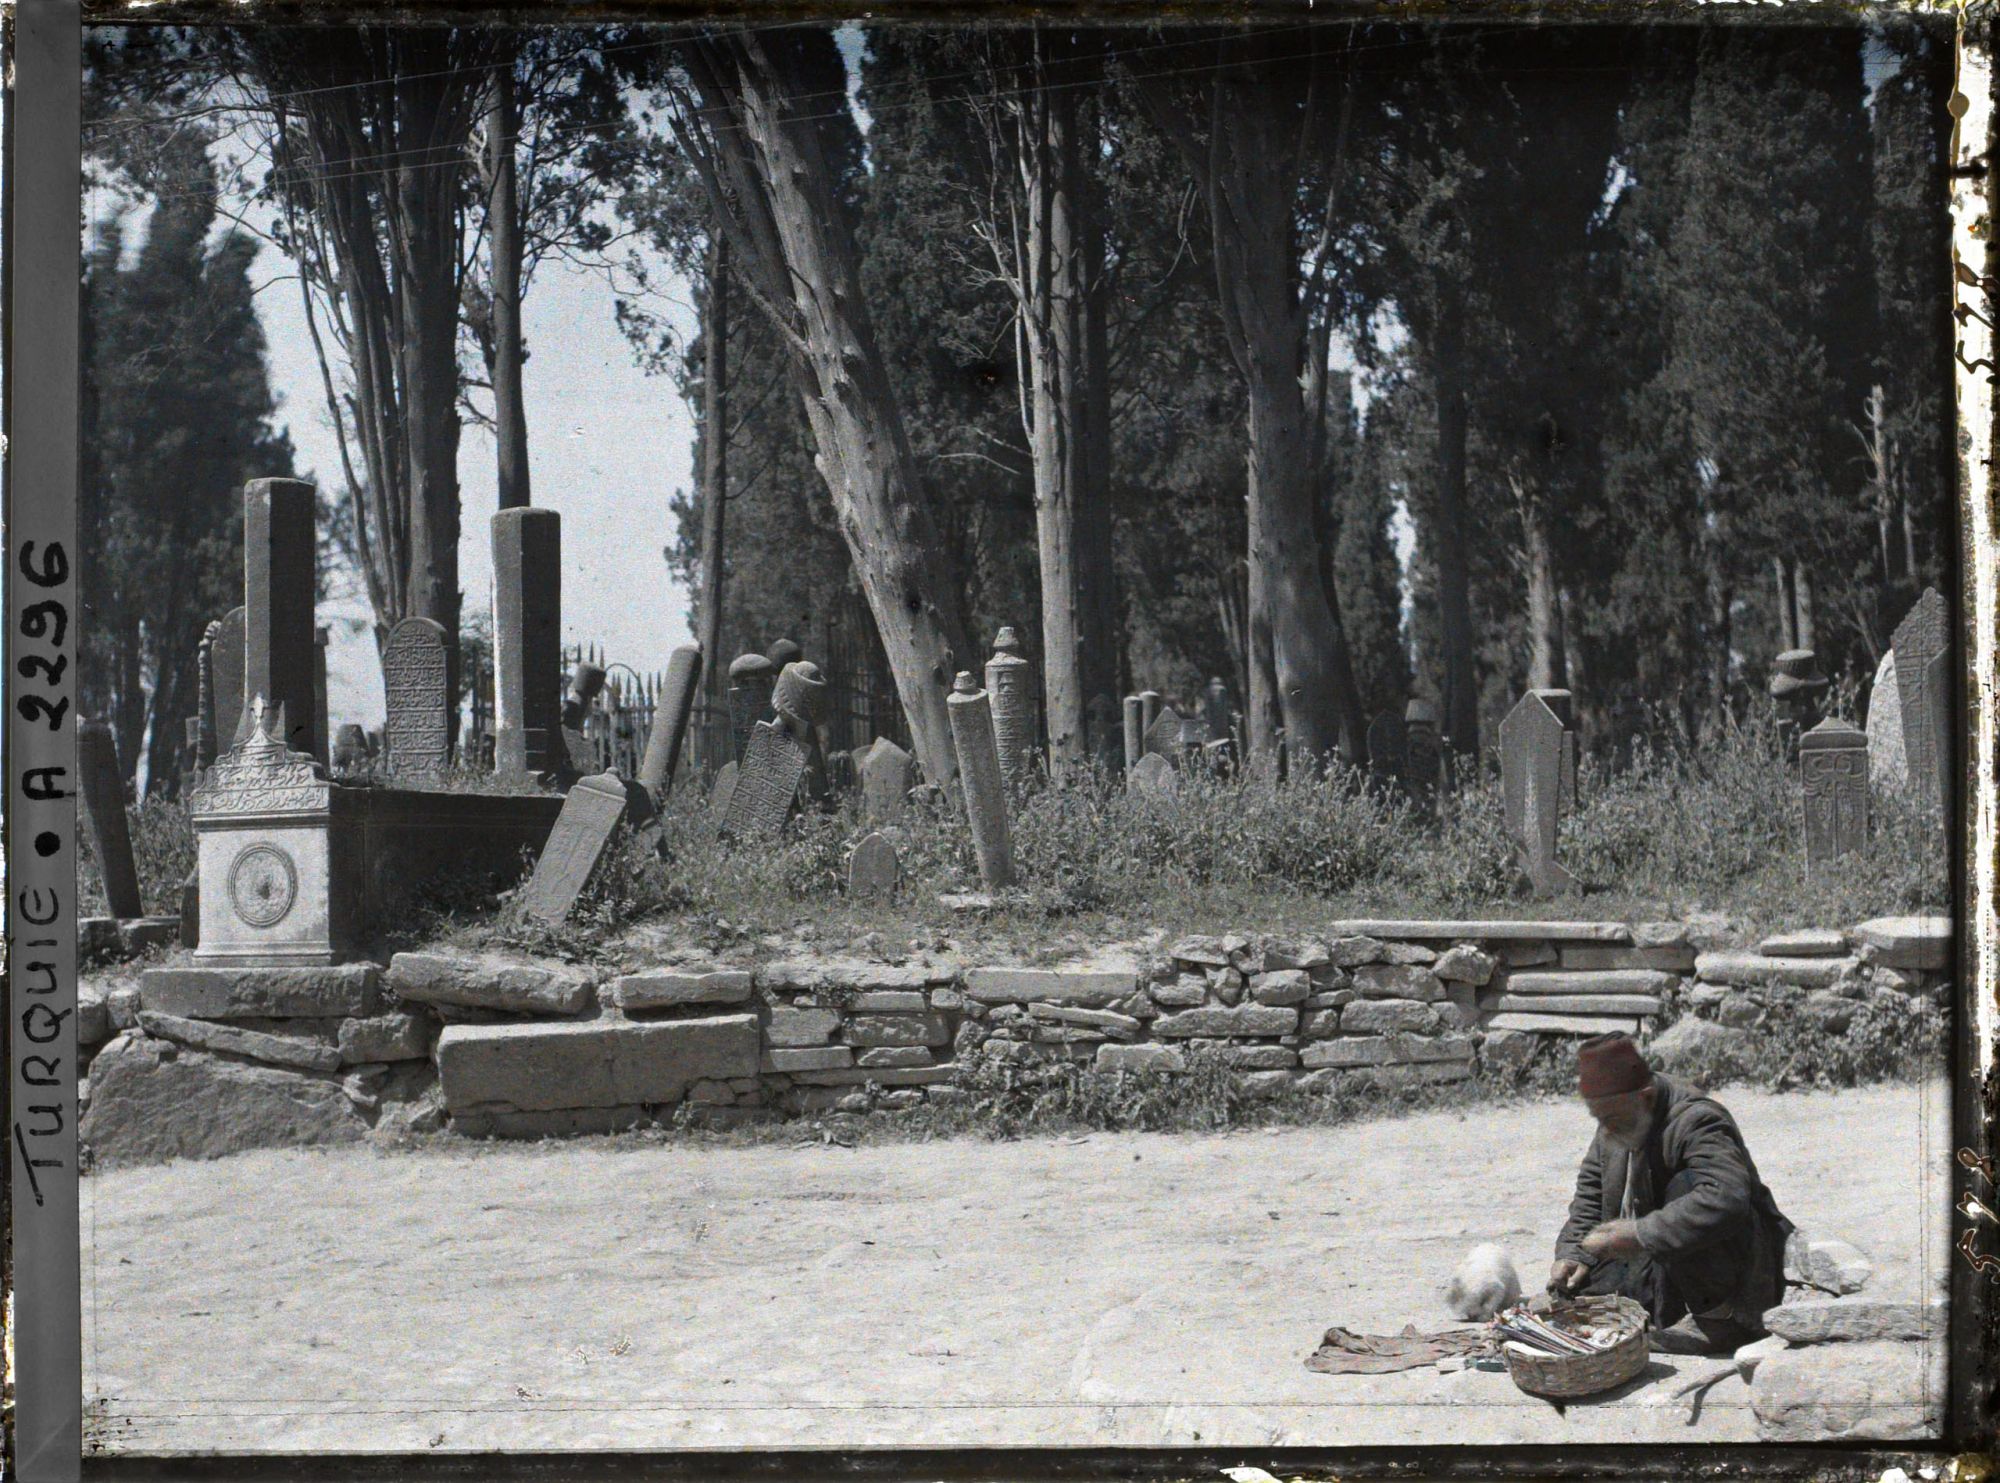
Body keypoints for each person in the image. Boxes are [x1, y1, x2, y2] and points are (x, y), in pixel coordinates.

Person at [1549, 1033, 1794, 1354]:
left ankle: (1719, 1322)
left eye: (1609, 1118)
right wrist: (1573, 1252)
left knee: (1687, 1188)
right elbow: (1592, 1189)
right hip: (1661, 1261)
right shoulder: (1618, 1113)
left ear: (1647, 1098)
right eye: (1599, 1119)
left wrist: (1638, 1233)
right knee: (1577, 1299)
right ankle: (1668, 1309)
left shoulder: (1697, 1120)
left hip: (1731, 1268)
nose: (1605, 1129)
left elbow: (1726, 1197)